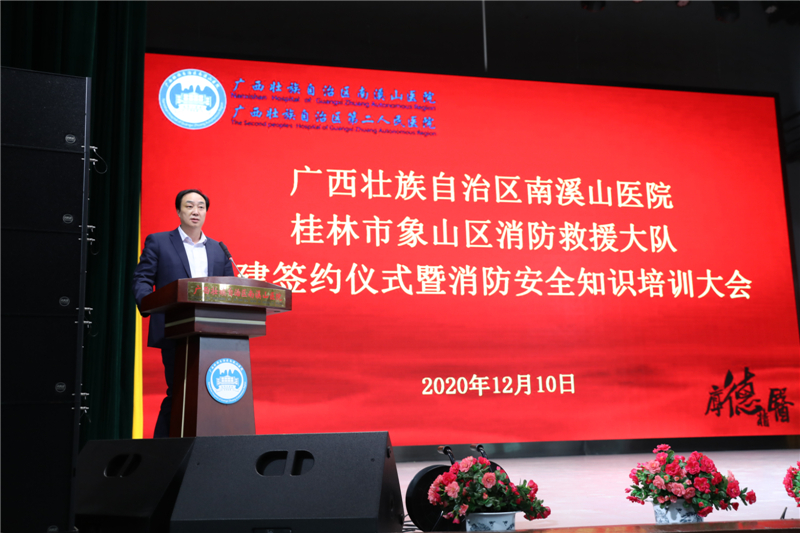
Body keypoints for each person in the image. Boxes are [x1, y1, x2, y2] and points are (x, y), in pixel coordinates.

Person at [132, 189, 234, 438]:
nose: (195, 211)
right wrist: (149, 303)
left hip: (212, 333)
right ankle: (162, 449)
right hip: (175, 328)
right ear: (178, 211)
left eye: (200, 206)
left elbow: (230, 288)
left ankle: (205, 445)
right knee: (179, 390)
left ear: (206, 212)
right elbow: (142, 279)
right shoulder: (159, 242)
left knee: (209, 392)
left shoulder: (219, 249)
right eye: (189, 206)